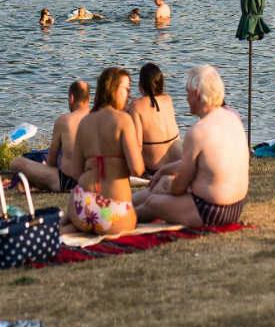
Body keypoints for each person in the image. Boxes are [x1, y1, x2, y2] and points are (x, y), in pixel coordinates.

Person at [133, 65, 249, 228]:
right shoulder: (231, 119)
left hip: (212, 210)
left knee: (153, 202)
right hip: (235, 206)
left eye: (187, 94)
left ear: (196, 95)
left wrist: (167, 185)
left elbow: (179, 186)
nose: (186, 99)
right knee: (163, 182)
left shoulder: (198, 132)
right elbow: (205, 162)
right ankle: (122, 205)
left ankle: (114, 219)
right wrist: (165, 171)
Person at [68, 67, 145, 235]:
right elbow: (138, 169)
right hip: (114, 212)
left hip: (82, 207)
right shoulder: (123, 120)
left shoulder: (84, 122)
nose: (129, 95)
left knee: (80, 216)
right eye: (126, 89)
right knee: (142, 211)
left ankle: (67, 228)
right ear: (113, 89)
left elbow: (75, 172)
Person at [12, 80, 90, 192]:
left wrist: (46, 165)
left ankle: (39, 184)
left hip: (68, 183)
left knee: (17, 163)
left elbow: (52, 161)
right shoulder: (99, 118)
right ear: (89, 99)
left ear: (71, 98)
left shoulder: (64, 121)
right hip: (94, 180)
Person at [129, 63, 180, 173]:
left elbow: (137, 145)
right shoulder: (168, 99)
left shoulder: (136, 106)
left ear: (140, 85)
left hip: (155, 167)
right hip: (178, 163)